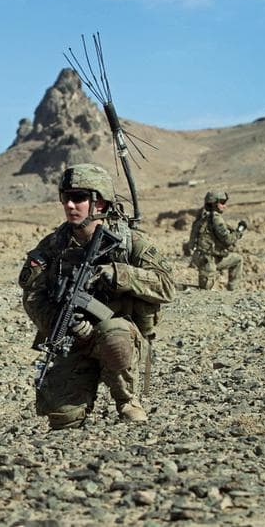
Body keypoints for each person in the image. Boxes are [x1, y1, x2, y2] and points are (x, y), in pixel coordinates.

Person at [18, 163, 174, 429]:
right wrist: (62, 323)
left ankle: (127, 400)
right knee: (63, 418)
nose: (70, 205)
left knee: (114, 334)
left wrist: (120, 274)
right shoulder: (54, 246)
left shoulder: (129, 242)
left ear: (100, 203)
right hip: (74, 340)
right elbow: (32, 296)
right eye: (66, 198)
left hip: (121, 334)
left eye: (79, 198)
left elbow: (166, 286)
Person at [186, 190, 245, 291]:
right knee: (205, 291)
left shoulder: (202, 217)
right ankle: (232, 291)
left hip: (204, 257)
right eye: (222, 202)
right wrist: (239, 231)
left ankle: (232, 292)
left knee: (237, 260)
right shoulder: (216, 219)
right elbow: (228, 240)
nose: (224, 206)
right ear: (214, 203)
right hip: (208, 261)